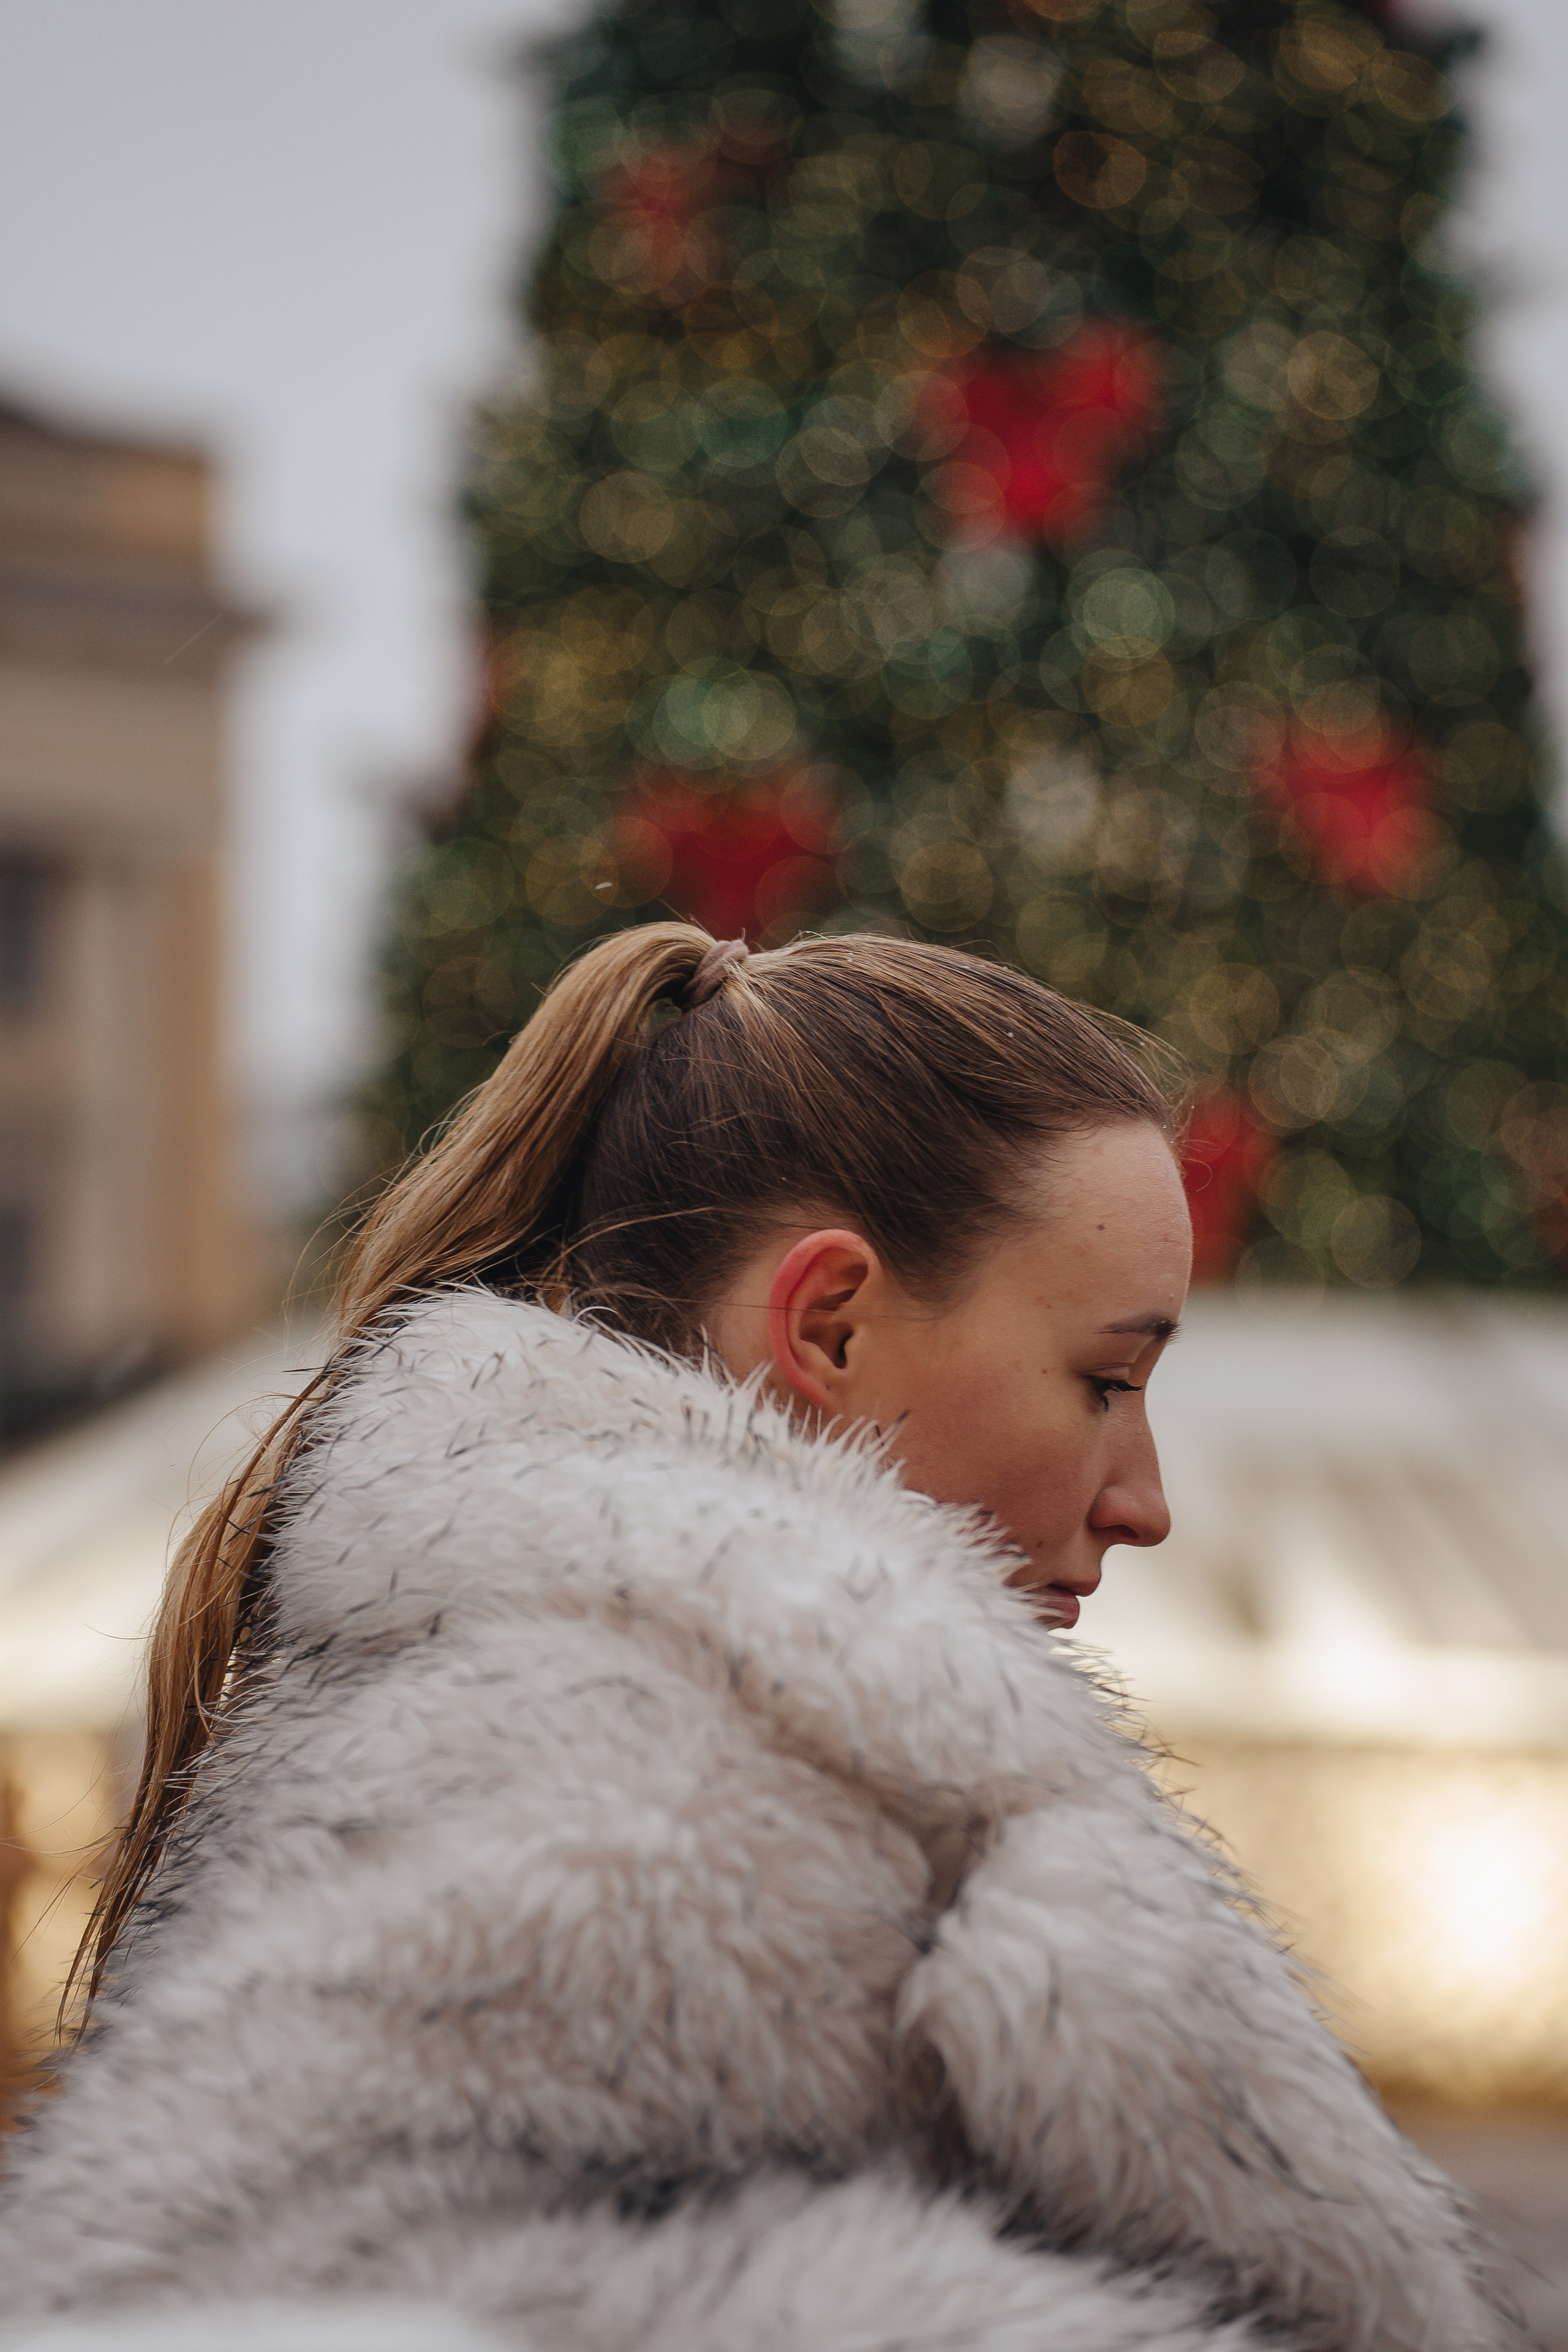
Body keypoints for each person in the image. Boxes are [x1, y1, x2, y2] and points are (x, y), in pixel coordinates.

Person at [0, 927, 1499, 2350]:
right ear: (830, 1328)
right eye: (1106, 1380)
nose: (1144, 1502)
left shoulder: (606, 1696)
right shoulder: (651, 1783)